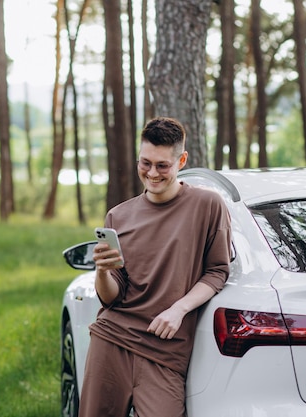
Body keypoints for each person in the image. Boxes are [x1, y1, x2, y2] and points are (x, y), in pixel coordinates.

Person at [78, 117, 232, 417]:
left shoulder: (208, 206)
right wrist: (101, 271)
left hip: (165, 349)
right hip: (112, 339)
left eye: (162, 165)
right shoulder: (118, 216)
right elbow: (112, 297)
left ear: (182, 160)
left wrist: (179, 309)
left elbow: (217, 271)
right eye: (145, 163)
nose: (152, 173)